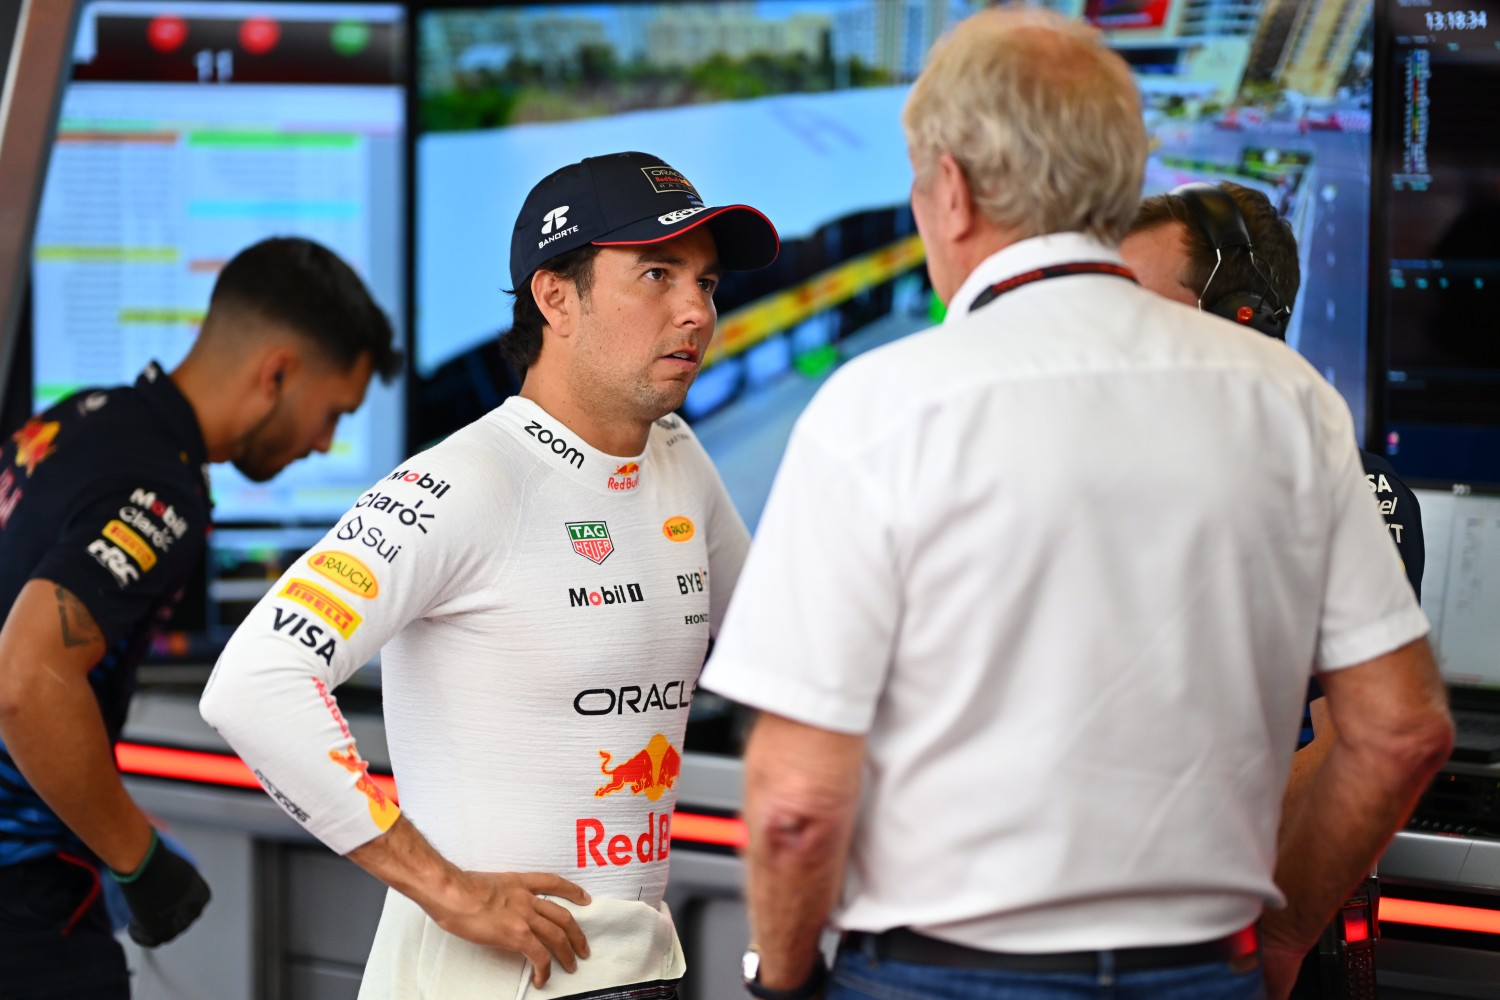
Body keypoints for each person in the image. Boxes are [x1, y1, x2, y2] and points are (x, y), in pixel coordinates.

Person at [697, 9, 1454, 1000]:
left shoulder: (879, 406)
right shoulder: (1286, 396)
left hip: (931, 973)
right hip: (1202, 973)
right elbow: (1401, 731)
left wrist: (783, 980)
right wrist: (1276, 939)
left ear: (954, 192)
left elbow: (795, 798)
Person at [199, 151, 778, 999]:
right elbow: (253, 683)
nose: (696, 311)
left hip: (642, 967)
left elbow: (784, 656)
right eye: (656, 274)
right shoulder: (464, 480)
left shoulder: (680, 460)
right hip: (483, 980)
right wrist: (446, 889)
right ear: (555, 298)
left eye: (707, 282)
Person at [0, 235, 399, 998]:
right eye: (331, 414)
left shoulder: (78, 420)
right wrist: (139, 860)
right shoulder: (159, 491)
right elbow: (26, 677)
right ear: (277, 372)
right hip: (22, 895)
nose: (324, 443)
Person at [1121, 179, 1428, 998]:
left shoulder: (1353, 489)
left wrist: (1280, 935)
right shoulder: (1086, 475)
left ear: (1240, 321)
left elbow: (1360, 740)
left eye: (1135, 305)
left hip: (1224, 935)